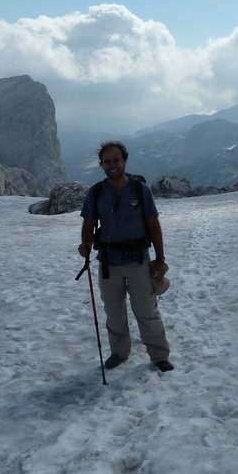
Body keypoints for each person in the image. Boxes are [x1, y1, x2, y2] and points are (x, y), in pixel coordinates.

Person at [78, 141, 173, 372]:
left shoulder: (140, 190)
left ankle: (159, 356)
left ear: (125, 161)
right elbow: (88, 223)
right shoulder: (96, 193)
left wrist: (160, 259)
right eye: (107, 161)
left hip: (139, 260)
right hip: (108, 263)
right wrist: (86, 243)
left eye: (116, 160)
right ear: (101, 164)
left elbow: (153, 224)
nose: (112, 165)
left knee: (146, 310)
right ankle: (119, 353)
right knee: (114, 312)